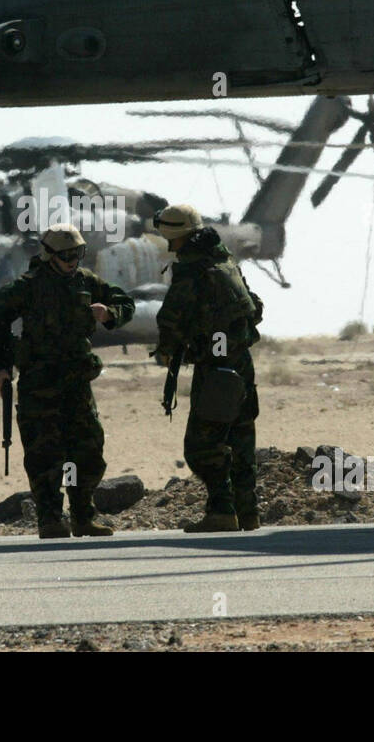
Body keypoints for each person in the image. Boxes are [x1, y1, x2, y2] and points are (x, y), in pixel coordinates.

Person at [0, 224, 135, 539]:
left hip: (77, 386)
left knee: (88, 452)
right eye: (66, 254)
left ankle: (82, 516)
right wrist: (1, 367)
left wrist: (109, 314)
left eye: (77, 253)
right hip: (39, 385)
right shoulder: (27, 287)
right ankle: (50, 519)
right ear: (49, 254)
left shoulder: (86, 281)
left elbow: (125, 303)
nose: (72, 260)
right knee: (44, 456)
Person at [153, 205, 264, 532]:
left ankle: (222, 510)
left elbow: (170, 319)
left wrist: (167, 351)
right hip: (241, 364)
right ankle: (248, 511)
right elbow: (254, 309)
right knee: (241, 439)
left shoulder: (191, 270)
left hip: (214, 370)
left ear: (176, 237)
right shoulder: (225, 261)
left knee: (202, 445)